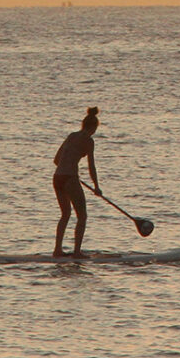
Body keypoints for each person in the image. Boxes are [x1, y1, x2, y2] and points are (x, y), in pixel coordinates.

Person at [53, 107, 102, 258]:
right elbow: (91, 166)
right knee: (82, 216)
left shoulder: (71, 135)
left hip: (57, 177)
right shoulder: (88, 140)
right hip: (69, 178)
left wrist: (69, 171)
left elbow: (56, 160)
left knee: (65, 214)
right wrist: (96, 187)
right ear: (93, 128)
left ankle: (57, 250)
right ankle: (76, 252)